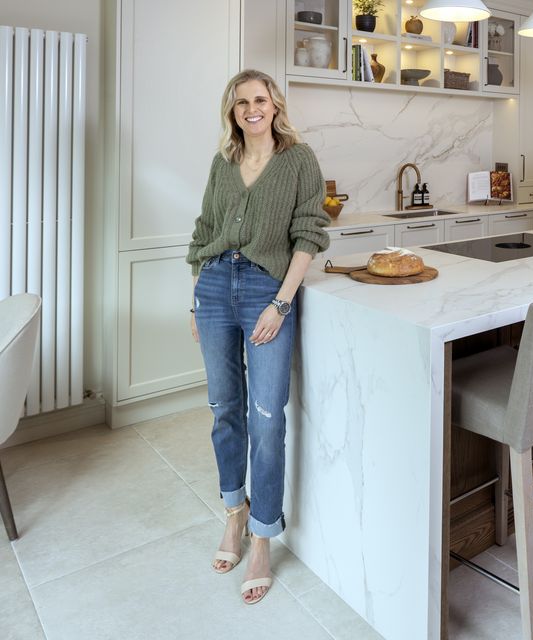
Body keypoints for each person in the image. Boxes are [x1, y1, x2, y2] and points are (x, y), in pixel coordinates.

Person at [186, 69, 330, 605]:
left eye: (261, 100)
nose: (252, 109)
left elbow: (309, 232)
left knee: (267, 419)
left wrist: (281, 301)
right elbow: (203, 232)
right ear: (233, 111)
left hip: (266, 290)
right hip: (216, 285)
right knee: (225, 408)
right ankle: (234, 514)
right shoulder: (223, 164)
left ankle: (264, 537)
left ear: (275, 106)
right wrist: (196, 296)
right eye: (242, 102)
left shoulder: (299, 160)